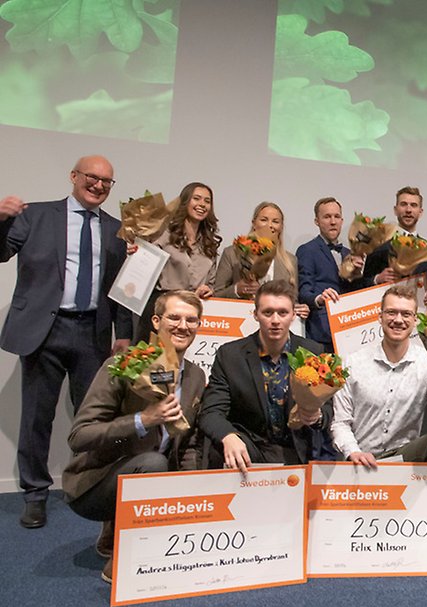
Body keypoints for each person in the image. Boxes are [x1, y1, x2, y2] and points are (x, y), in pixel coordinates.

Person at [0, 155, 132, 529]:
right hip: (45, 331)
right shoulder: (36, 215)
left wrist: (122, 333)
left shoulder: (118, 230)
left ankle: (91, 486)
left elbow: (123, 289)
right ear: (74, 176)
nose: (99, 185)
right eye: (92, 177)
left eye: (107, 181)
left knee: (93, 416)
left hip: (93, 333)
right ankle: (36, 493)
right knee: (37, 417)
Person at [62, 290, 206, 583]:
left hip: (155, 476)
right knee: (152, 462)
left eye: (191, 320)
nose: (183, 326)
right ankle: (126, 553)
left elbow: (188, 440)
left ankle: (124, 530)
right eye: (174, 317)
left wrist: (194, 487)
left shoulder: (195, 376)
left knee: (196, 459)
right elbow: (79, 437)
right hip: (96, 483)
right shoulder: (125, 364)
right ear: (156, 321)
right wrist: (143, 419)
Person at [197, 280, 325, 471]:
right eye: (267, 312)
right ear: (255, 314)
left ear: (293, 315)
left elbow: (329, 408)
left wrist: (317, 416)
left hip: (294, 449)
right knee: (220, 448)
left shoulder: (311, 352)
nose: (275, 320)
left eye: (283, 312)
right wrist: (228, 436)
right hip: (248, 447)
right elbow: (210, 412)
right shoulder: (230, 355)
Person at [331, 284, 427, 467]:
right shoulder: (352, 363)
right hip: (360, 459)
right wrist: (353, 452)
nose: (398, 320)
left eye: (406, 314)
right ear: (380, 317)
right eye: (391, 312)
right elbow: (340, 423)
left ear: (416, 320)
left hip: (402, 460)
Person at [136, 181, 221, 341]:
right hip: (162, 312)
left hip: (191, 317)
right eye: (197, 198)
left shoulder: (209, 244)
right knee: (155, 363)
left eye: (207, 201)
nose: (202, 204)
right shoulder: (163, 234)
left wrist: (208, 289)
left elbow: (211, 281)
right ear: (185, 202)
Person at [214, 200, 309, 319]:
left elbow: (292, 300)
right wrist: (237, 290)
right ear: (254, 223)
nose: (270, 225)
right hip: (238, 322)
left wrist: (299, 309)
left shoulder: (290, 260)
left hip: (275, 325)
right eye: (264, 220)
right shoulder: (232, 253)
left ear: (281, 227)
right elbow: (216, 295)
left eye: (275, 221)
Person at [296, 197, 367, 351]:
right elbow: (304, 290)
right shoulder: (307, 250)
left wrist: (358, 274)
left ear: (342, 220)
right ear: (317, 221)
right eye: (327, 217)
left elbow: (357, 293)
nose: (333, 221)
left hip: (351, 331)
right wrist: (319, 299)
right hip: (322, 333)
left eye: (336, 217)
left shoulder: (351, 253)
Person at [363, 186, 427, 287]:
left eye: (413, 205)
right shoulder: (379, 244)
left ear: (420, 212)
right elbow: (361, 284)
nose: (408, 210)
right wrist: (377, 279)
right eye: (403, 204)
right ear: (395, 210)